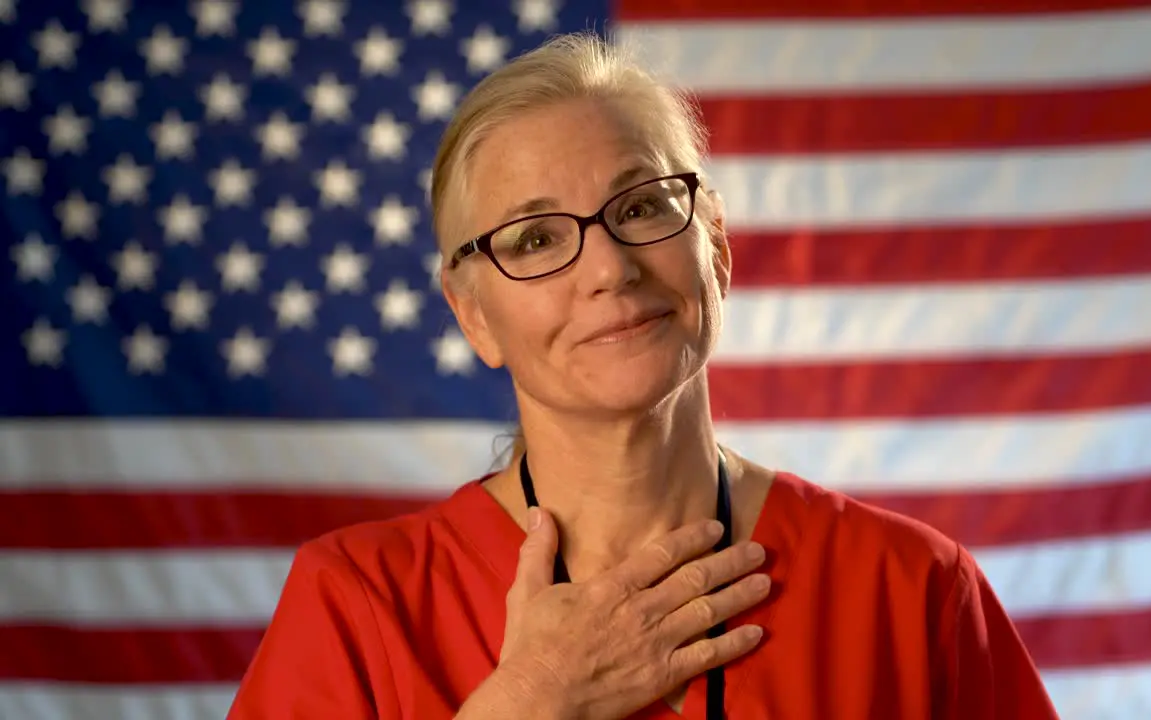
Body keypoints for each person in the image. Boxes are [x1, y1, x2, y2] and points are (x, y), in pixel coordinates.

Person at [227, 31, 1061, 720]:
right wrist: (527, 702)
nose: (610, 268)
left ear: (718, 248)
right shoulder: (356, 606)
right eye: (535, 239)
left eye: (641, 206)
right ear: (472, 314)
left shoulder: (909, 591)